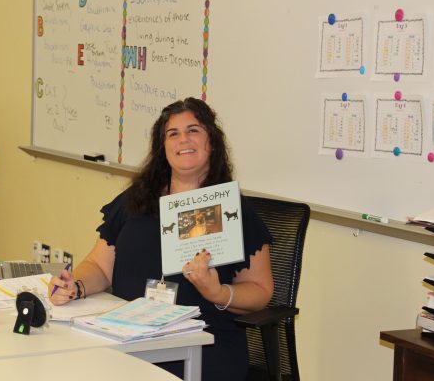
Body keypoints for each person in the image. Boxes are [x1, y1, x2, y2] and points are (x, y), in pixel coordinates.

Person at [49, 97, 273, 380]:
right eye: (173, 134)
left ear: (211, 142)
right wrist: (75, 286)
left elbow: (260, 291)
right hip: (128, 336)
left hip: (202, 344)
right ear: (162, 147)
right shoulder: (136, 200)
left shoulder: (231, 211)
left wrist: (216, 293)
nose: (183, 140)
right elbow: (100, 265)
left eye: (193, 130)